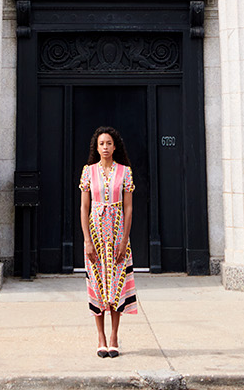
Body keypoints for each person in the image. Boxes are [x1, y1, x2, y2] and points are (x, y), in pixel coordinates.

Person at [79, 125, 137, 357]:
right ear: (96, 146)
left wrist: (124, 241)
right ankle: (100, 337)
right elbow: (84, 207)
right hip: (94, 235)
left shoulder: (125, 172)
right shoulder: (88, 172)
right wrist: (87, 240)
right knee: (97, 285)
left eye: (109, 143)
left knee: (116, 285)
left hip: (117, 234)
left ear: (115, 146)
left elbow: (129, 208)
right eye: (101, 144)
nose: (105, 147)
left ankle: (114, 336)